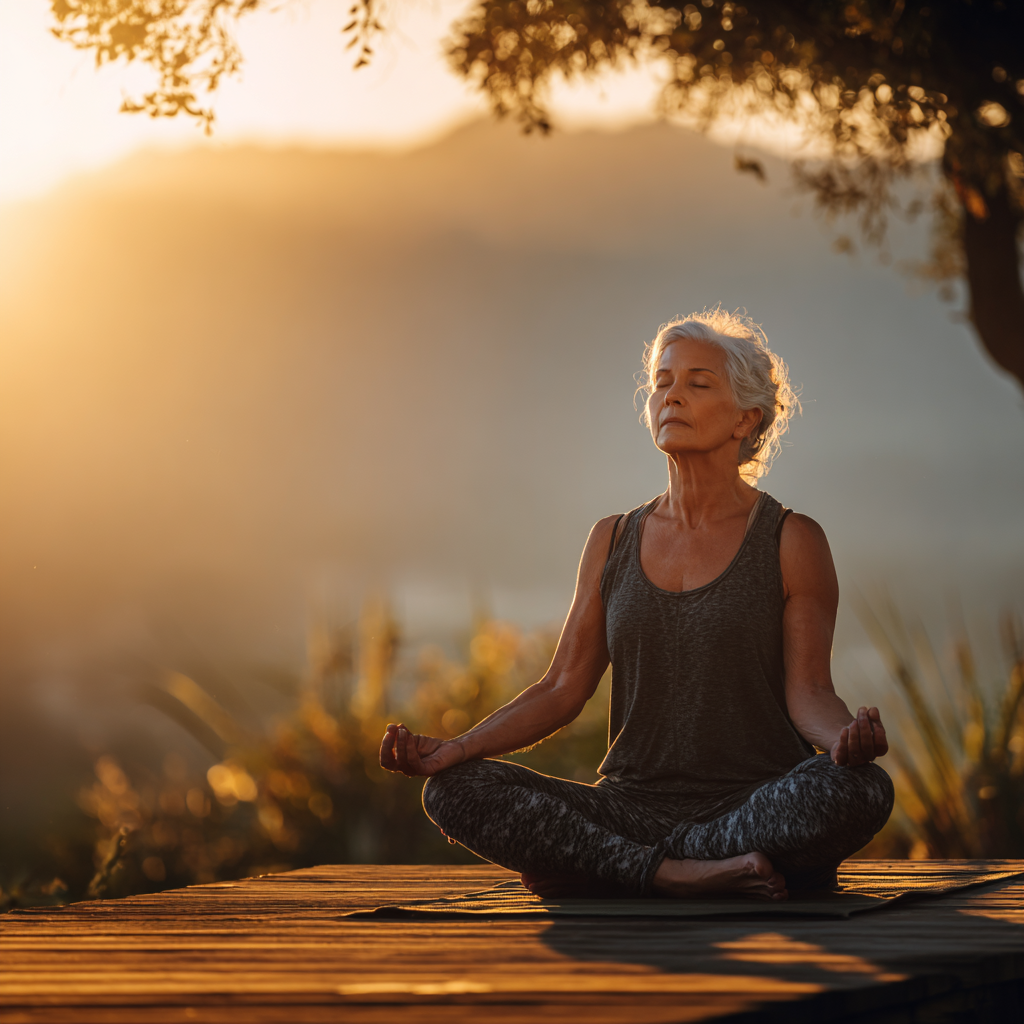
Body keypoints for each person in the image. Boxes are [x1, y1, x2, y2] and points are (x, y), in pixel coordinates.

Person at [380, 309, 893, 901]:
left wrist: (844, 742)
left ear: (745, 419)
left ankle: (621, 868)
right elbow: (561, 687)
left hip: (754, 802)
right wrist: (457, 748)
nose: (672, 396)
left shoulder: (791, 539)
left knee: (860, 789)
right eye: (662, 382)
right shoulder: (612, 539)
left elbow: (809, 694)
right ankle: (678, 872)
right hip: (628, 807)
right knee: (452, 789)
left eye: (698, 384)